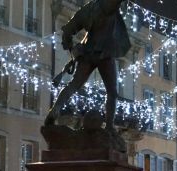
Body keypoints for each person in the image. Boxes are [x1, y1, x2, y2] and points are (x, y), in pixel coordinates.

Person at [45, 0, 130, 132]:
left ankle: (55, 110)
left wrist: (72, 48)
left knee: (73, 85)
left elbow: (68, 29)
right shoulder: (109, 5)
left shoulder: (89, 8)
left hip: (88, 53)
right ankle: (109, 126)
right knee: (112, 92)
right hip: (105, 54)